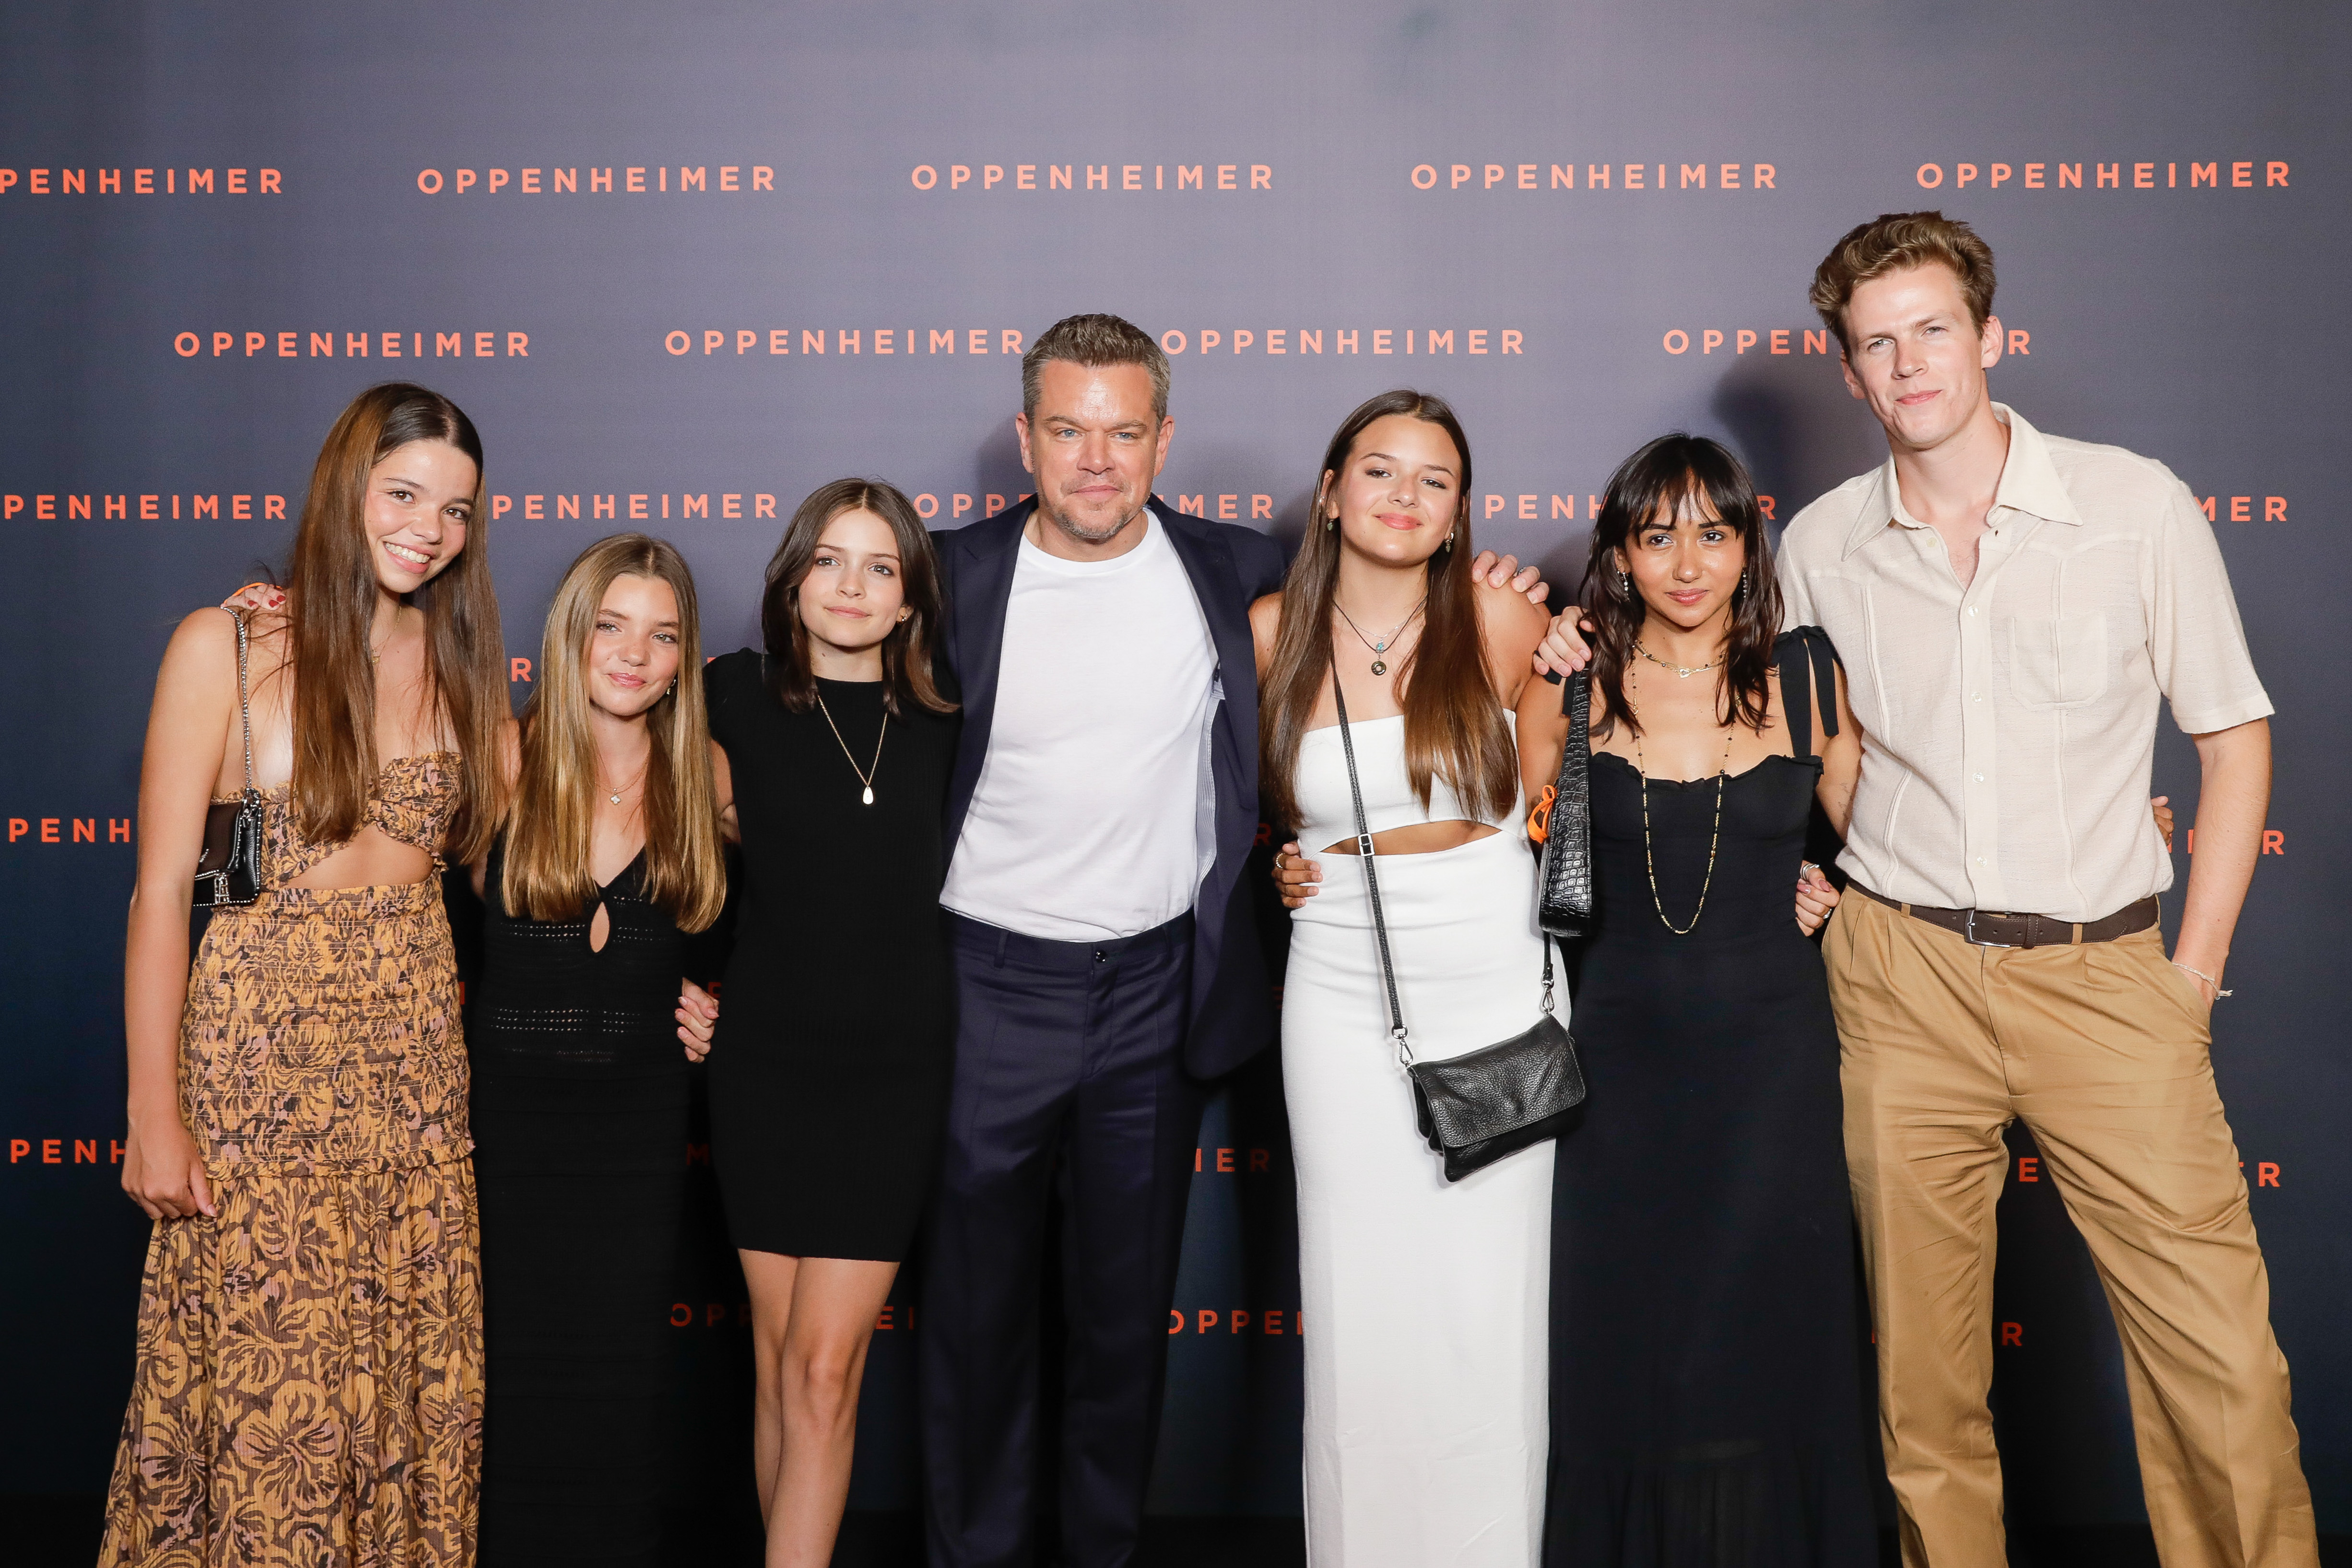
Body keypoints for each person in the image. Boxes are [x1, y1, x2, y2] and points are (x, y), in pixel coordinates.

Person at [1536, 212, 2314, 1566]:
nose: (1908, 364)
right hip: (1897, 984)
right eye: (1876, 343)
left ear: (1991, 337)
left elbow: (2236, 739)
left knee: (2218, 1359)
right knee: (1924, 1386)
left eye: (1933, 329)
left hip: (2107, 970)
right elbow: (1732, 718)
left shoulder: (2135, 505)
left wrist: (2192, 971)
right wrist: (1566, 631)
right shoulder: (1822, 545)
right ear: (1848, 373)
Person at [919, 315, 1547, 1568]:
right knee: (976, 1319)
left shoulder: (1235, 576)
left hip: (1156, 987)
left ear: (1162, 438)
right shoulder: (945, 576)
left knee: (1122, 1325)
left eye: (1124, 429)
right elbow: (820, 716)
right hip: (990, 980)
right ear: (1026, 435)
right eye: (1067, 428)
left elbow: (1389, 668)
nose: (1096, 458)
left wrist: (1527, 607)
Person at [103, 383, 510, 1568]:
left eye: (455, 510)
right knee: (269, 1412)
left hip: (414, 1091)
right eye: (403, 494)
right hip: (258, 1086)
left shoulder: (466, 668)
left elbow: (531, 874)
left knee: (399, 1396)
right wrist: (152, 1114)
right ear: (347, 485)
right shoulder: (223, 645)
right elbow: (158, 899)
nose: (428, 528)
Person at [1516, 435, 1878, 1565]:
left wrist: (1839, 885)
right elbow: (1498, 856)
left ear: (1746, 544)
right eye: (1656, 535)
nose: (1687, 562)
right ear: (1619, 555)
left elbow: (1897, 841)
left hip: (1775, 1066)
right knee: (1628, 1334)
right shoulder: (1564, 681)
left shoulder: (1809, 675)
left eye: (1713, 535)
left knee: (1773, 1329)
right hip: (1615, 1069)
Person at [1251, 390, 1553, 1567]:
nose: (1403, 496)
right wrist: (1288, 861)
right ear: (1331, 492)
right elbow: (1269, 816)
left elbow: (1572, 788)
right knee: (1359, 1295)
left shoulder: (1500, 616)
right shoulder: (1271, 630)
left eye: (1433, 480)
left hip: (1491, 969)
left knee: (1487, 1300)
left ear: (1459, 511)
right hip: (1335, 984)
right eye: (1378, 471)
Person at [704, 480, 963, 1568]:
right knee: (775, 1363)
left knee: (822, 1368)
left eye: (880, 566)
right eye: (828, 561)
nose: (851, 586)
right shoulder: (725, 695)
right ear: (792, 579)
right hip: (762, 1061)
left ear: (909, 600)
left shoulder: (957, 718)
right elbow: (581, 765)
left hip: (896, 1069)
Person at [465, 534, 727, 1567]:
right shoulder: (500, 756)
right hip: (509, 1127)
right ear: (570, 636)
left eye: (663, 636)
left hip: (643, 1124)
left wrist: (726, 1000)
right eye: (612, 627)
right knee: (510, 1370)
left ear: (683, 659)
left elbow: (829, 905)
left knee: (621, 1375)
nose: (635, 654)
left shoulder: (704, 774)